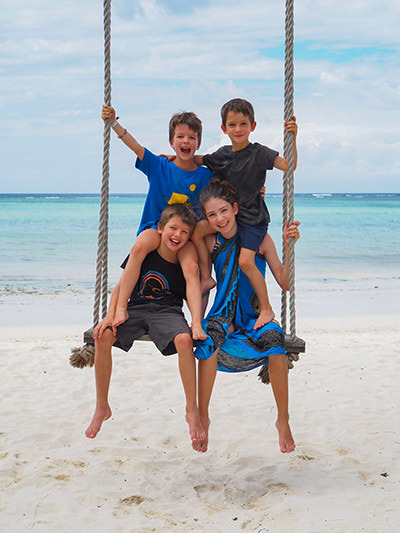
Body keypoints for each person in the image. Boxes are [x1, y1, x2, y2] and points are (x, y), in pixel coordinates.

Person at [85, 203, 207, 451]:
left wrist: (195, 323)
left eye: (185, 232)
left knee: (185, 341)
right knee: (103, 336)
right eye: (173, 229)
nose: (178, 236)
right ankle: (102, 406)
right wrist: (112, 314)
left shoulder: (186, 253)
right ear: (160, 228)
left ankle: (191, 410)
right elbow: (122, 285)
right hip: (136, 308)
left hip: (167, 311)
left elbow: (193, 283)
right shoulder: (146, 247)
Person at [194, 179, 300, 453]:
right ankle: (203, 414)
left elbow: (286, 282)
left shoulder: (261, 240)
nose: (220, 219)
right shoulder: (211, 241)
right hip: (222, 316)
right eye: (212, 215)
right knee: (207, 342)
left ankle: (283, 419)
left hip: (256, 317)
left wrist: (289, 244)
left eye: (224, 211)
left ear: (236, 208)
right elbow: (194, 231)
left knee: (276, 342)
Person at [101, 105, 213, 335]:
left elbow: (228, 185)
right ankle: (121, 307)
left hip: (185, 236)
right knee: (139, 247)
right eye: (180, 136)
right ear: (172, 142)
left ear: (198, 144)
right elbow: (135, 146)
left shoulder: (204, 175)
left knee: (192, 269)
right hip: (155, 227)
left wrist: (258, 191)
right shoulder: (159, 165)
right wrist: (114, 124)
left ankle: (197, 323)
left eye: (191, 137)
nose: (186, 141)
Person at [191, 98, 298, 330]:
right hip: (232, 217)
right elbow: (201, 160)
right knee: (198, 230)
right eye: (232, 125)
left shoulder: (259, 153)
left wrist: (293, 138)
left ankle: (267, 308)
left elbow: (288, 165)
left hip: (252, 220)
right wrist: (177, 159)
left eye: (243, 124)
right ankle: (206, 276)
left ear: (253, 126)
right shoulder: (222, 155)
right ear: (224, 129)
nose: (238, 129)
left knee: (246, 261)